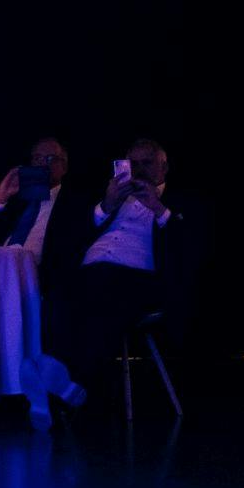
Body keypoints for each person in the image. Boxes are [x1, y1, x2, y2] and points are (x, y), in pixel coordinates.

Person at [42, 139, 200, 390]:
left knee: (101, 294)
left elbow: (189, 249)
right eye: (132, 164)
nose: (138, 170)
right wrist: (106, 206)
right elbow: (72, 238)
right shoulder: (109, 197)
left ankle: (69, 386)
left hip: (139, 278)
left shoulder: (181, 201)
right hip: (91, 273)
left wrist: (158, 208)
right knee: (56, 295)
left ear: (164, 167)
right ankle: (63, 385)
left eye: (146, 163)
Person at [0, 135, 71, 252]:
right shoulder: (17, 201)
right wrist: (1, 199)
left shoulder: (71, 206)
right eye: (37, 158)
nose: (43, 164)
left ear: (64, 167)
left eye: (51, 158)